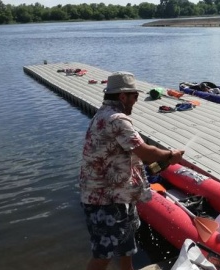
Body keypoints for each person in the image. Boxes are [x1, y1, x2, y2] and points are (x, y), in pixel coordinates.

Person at [79, 71, 185, 270]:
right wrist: (170, 155)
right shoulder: (117, 119)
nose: (136, 101)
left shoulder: (102, 114)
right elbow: (145, 151)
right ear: (122, 96)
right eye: (134, 96)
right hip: (105, 199)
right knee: (103, 255)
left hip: (120, 194)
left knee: (127, 248)